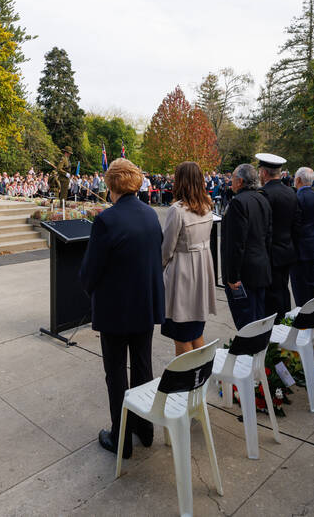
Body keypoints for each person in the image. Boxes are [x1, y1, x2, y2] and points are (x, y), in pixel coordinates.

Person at [79, 158, 165, 459]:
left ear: (112, 183)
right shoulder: (150, 214)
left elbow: (90, 271)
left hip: (116, 310)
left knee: (116, 374)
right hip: (144, 306)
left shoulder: (107, 220)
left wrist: (90, 289)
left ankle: (121, 438)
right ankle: (145, 428)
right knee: (143, 368)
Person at [160, 161, 217, 355]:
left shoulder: (177, 210)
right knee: (195, 332)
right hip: (202, 270)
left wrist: (161, 268)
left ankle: (187, 381)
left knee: (182, 335)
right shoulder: (207, 206)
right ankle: (201, 378)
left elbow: (167, 249)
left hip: (182, 273)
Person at [221, 163, 272, 329]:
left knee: (246, 323)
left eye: (233, 179)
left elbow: (236, 243)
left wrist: (233, 276)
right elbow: (268, 237)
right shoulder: (262, 199)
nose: (231, 182)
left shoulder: (238, 203)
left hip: (244, 273)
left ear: (240, 181)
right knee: (259, 319)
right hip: (261, 267)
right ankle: (259, 352)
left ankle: (250, 354)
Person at [257, 153, 299, 318]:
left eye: (260, 171)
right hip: (287, 250)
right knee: (282, 290)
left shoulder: (264, 194)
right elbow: (297, 224)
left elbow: (262, 228)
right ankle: (285, 325)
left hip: (270, 253)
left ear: (264, 173)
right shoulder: (290, 192)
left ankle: (276, 331)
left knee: (272, 297)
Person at [290, 167, 314, 308]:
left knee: (300, 288)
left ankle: (304, 317)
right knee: (312, 283)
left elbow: (294, 225)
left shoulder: (297, 198)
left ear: (298, 180)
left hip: (299, 249)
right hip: (312, 245)